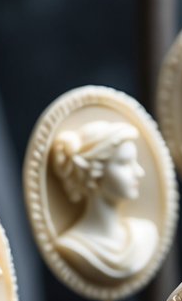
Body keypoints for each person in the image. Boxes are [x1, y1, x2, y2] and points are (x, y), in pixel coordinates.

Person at [50, 120, 158, 283]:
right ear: (94, 171)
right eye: (124, 163)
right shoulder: (73, 246)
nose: (139, 172)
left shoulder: (144, 234)